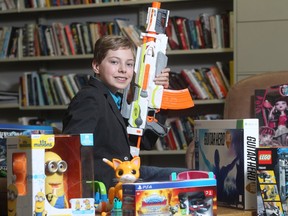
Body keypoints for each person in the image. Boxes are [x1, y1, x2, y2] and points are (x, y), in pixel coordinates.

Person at [62, 35, 188, 190]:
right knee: (189, 184)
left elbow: (146, 142)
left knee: (191, 177)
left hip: (127, 174)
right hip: (108, 183)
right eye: (114, 62)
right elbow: (72, 149)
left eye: (129, 64)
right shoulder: (90, 98)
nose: (123, 69)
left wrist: (159, 94)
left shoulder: (117, 99)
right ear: (96, 66)